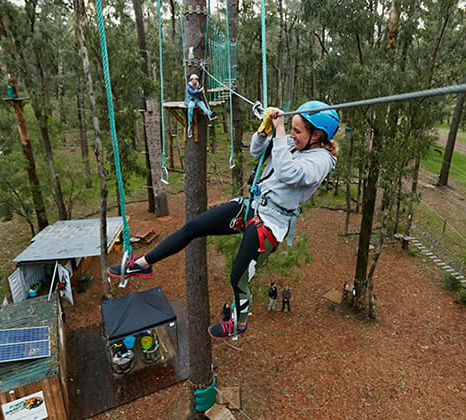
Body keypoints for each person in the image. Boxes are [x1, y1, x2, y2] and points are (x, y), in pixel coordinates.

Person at [108, 101, 340, 340]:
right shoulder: (293, 144)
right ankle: (143, 264)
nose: (292, 134)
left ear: (317, 135)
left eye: (298, 131)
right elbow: (257, 152)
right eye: (291, 128)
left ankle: (239, 323)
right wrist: (264, 130)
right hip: (252, 206)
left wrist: (280, 131)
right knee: (193, 227)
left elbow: (287, 173)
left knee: (237, 276)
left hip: (271, 222)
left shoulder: (321, 161)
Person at [185, 73, 215, 138]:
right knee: (190, 108)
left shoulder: (199, 85)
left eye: (195, 79)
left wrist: (202, 91)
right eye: (193, 80)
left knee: (203, 106)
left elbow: (199, 94)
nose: (194, 81)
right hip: (191, 100)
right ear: (191, 80)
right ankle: (190, 124)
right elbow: (192, 92)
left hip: (197, 100)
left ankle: (210, 114)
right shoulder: (189, 86)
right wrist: (200, 90)